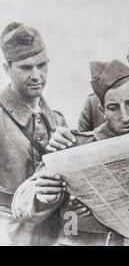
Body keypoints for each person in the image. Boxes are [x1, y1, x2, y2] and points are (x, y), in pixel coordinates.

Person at [12, 59, 129, 246]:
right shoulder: (75, 145)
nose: (124, 117)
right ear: (102, 110)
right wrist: (45, 195)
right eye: (113, 108)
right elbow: (21, 202)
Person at [0, 22, 66, 245]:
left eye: (41, 66)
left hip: (53, 235)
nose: (37, 75)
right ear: (7, 69)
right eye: (26, 68)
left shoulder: (57, 120)